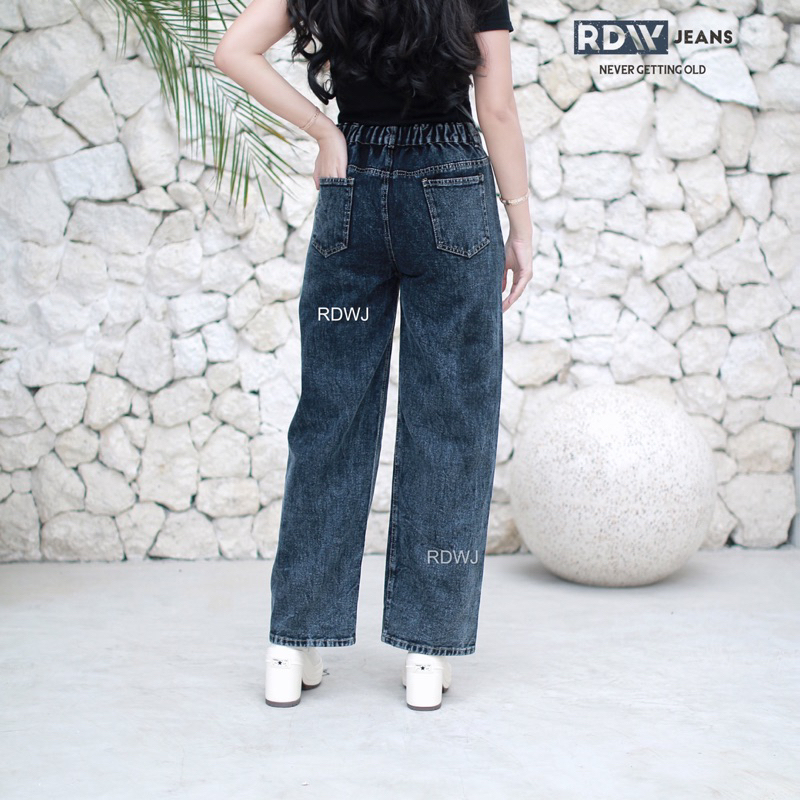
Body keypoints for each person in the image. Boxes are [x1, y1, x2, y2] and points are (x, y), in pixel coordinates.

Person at [214, 0, 532, 711]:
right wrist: (520, 222)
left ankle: (291, 647)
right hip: (452, 191)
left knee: (330, 417)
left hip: (351, 186)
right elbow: (498, 109)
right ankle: (427, 652)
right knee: (449, 419)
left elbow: (233, 50)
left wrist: (324, 129)